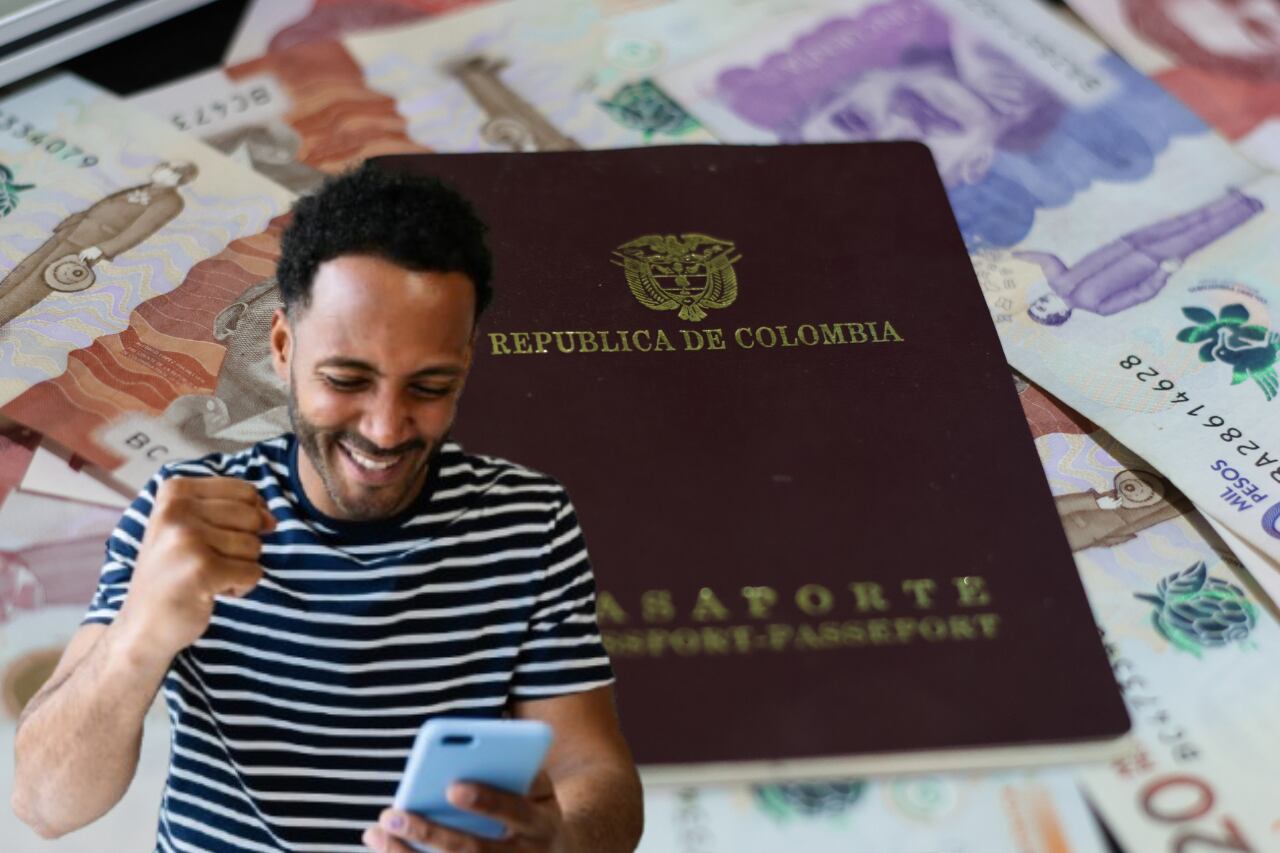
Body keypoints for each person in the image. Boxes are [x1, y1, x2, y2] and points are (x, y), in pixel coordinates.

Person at [11, 163, 644, 852]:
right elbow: (47, 806)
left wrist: (558, 844)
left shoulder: (530, 519)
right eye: (347, 379)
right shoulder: (184, 512)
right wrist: (141, 631)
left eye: (431, 385)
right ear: (282, 348)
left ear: (466, 362)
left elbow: (591, 767)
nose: (384, 427)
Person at [0, 161, 198, 326]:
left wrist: (103, 249)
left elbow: (139, 230)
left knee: (37, 283)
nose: (162, 171)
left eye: (171, 171)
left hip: (88, 244)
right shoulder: (144, 187)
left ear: (180, 179)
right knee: (23, 271)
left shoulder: (170, 202)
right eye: (164, 167)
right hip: (72, 230)